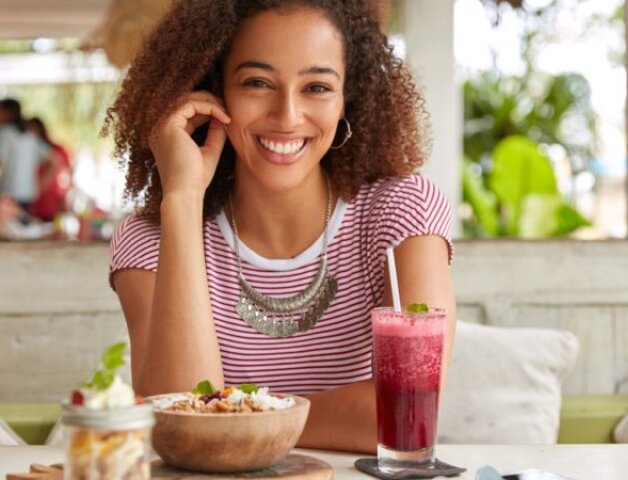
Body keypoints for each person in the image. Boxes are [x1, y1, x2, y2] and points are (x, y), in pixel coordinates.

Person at [105, 0, 456, 453]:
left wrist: (237, 422)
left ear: (350, 96)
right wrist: (183, 199)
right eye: (257, 82)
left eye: (317, 87)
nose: (287, 115)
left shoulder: (401, 214)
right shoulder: (151, 240)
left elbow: (405, 413)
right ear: (213, 91)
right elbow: (181, 423)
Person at [0, 99, 51, 211]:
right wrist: (39, 186)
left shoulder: (4, 133)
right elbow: (54, 161)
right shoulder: (30, 135)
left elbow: (1, 163)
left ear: (9, 112)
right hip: (28, 194)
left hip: (7, 195)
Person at [24, 117, 72, 222]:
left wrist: (64, 195)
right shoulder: (27, 151)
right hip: (32, 204)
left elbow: (68, 173)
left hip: (51, 202)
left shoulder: (56, 149)